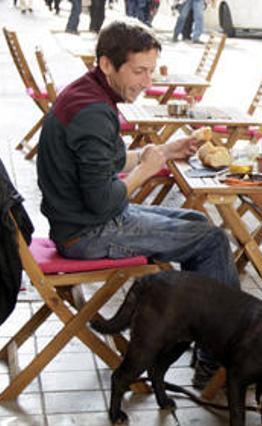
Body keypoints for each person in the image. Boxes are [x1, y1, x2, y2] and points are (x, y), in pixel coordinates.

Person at [35, 21, 238, 388]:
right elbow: (102, 201)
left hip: (78, 221)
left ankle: (204, 337)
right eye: (139, 71)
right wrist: (146, 170)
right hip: (87, 233)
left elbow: (101, 166)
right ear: (107, 64)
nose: (147, 82)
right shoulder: (95, 112)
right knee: (211, 240)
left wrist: (163, 151)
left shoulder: (87, 94)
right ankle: (220, 354)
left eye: (151, 71)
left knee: (196, 221)